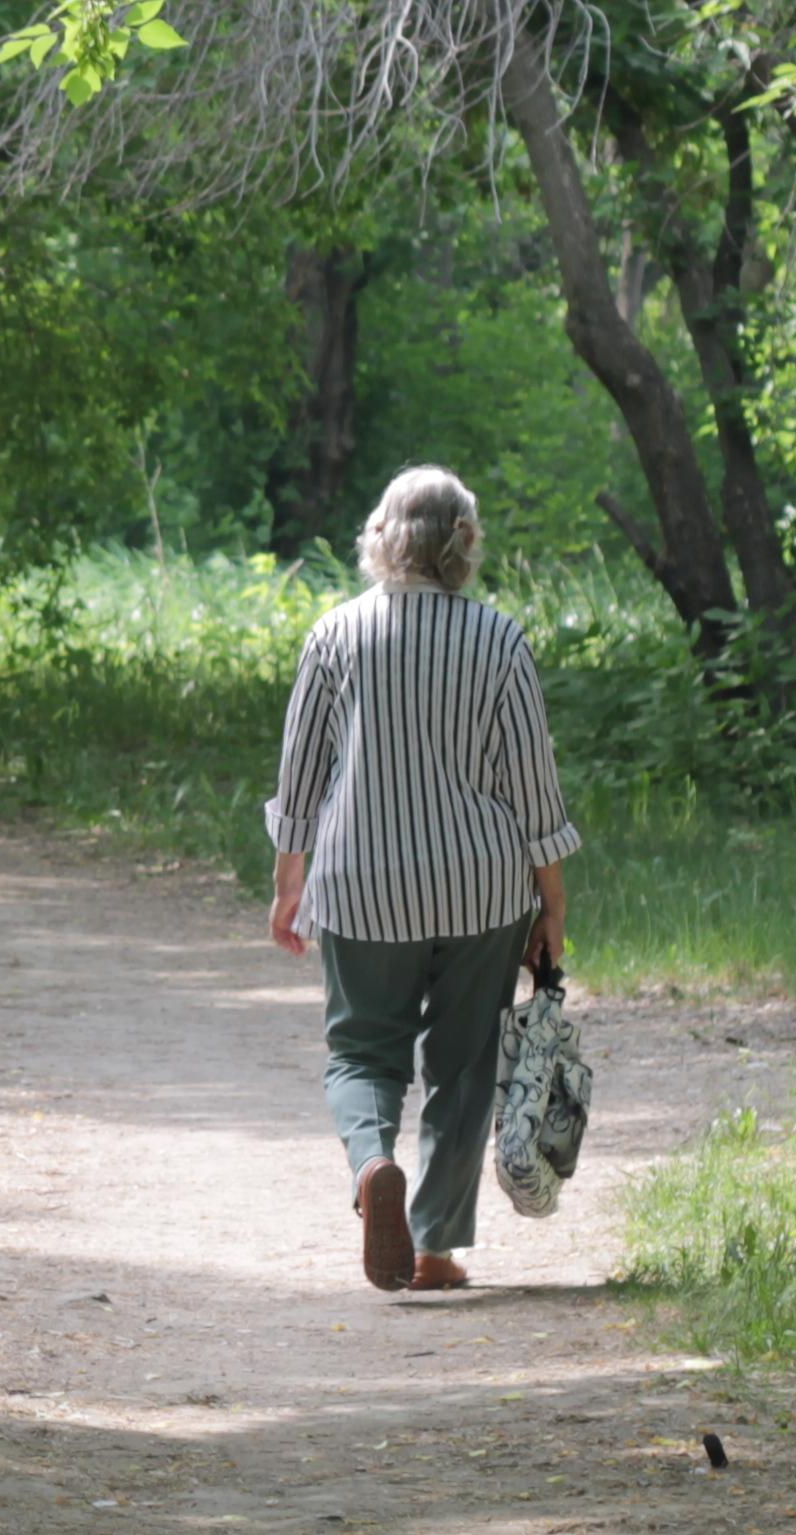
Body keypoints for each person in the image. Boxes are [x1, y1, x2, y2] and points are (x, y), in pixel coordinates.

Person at [261, 465, 577, 1293]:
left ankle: (373, 1166)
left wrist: (289, 882)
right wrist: (552, 903)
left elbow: (301, 775)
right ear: (465, 543)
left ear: (380, 538)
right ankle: (435, 1248)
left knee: (362, 1053)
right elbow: (533, 787)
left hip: (361, 882)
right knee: (465, 1065)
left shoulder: (335, 635)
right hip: (483, 887)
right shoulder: (499, 640)